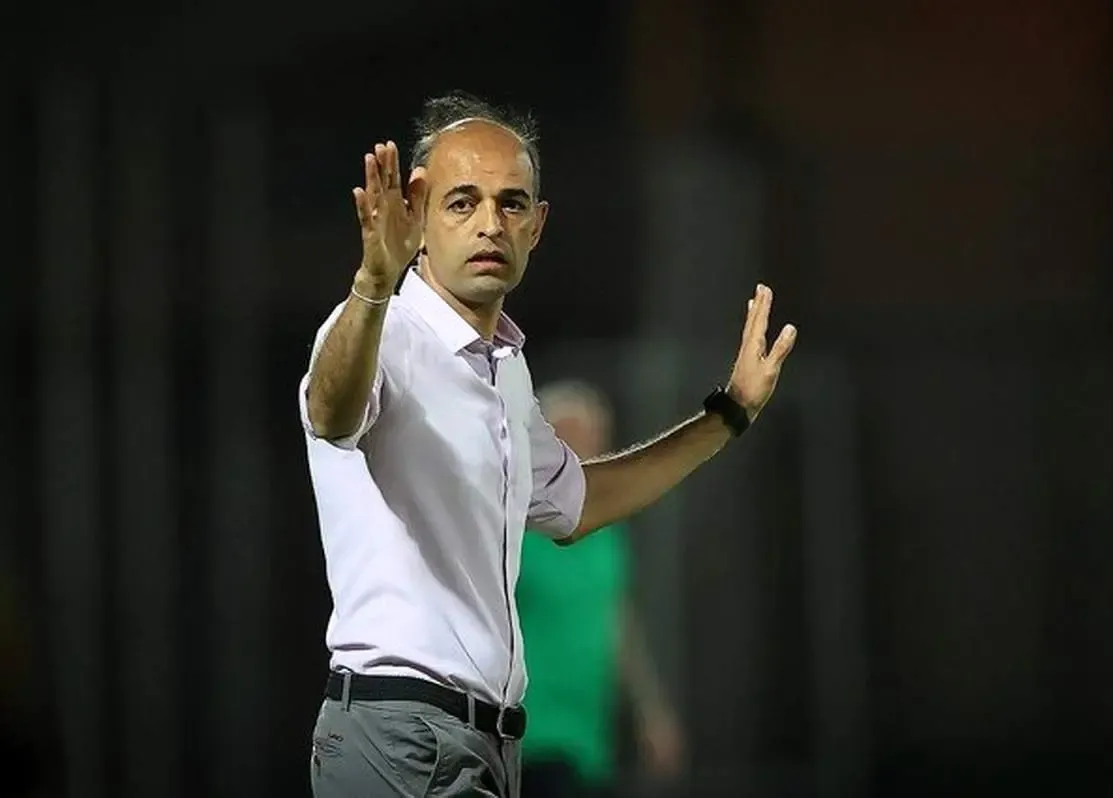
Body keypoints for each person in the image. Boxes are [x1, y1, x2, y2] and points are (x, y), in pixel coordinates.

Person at [301, 90, 797, 798]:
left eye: (511, 204)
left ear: (536, 227)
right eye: (462, 202)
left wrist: (728, 414)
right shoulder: (384, 329)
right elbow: (331, 412)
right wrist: (372, 284)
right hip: (400, 733)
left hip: (486, 740)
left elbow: (579, 501)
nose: (490, 224)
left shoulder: (502, 370)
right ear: (416, 212)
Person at [517, 381, 684, 798]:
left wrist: (651, 713)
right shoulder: (516, 525)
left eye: (595, 436)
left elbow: (617, 621)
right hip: (528, 733)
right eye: (571, 435)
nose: (587, 448)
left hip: (591, 738)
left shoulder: (606, 530)